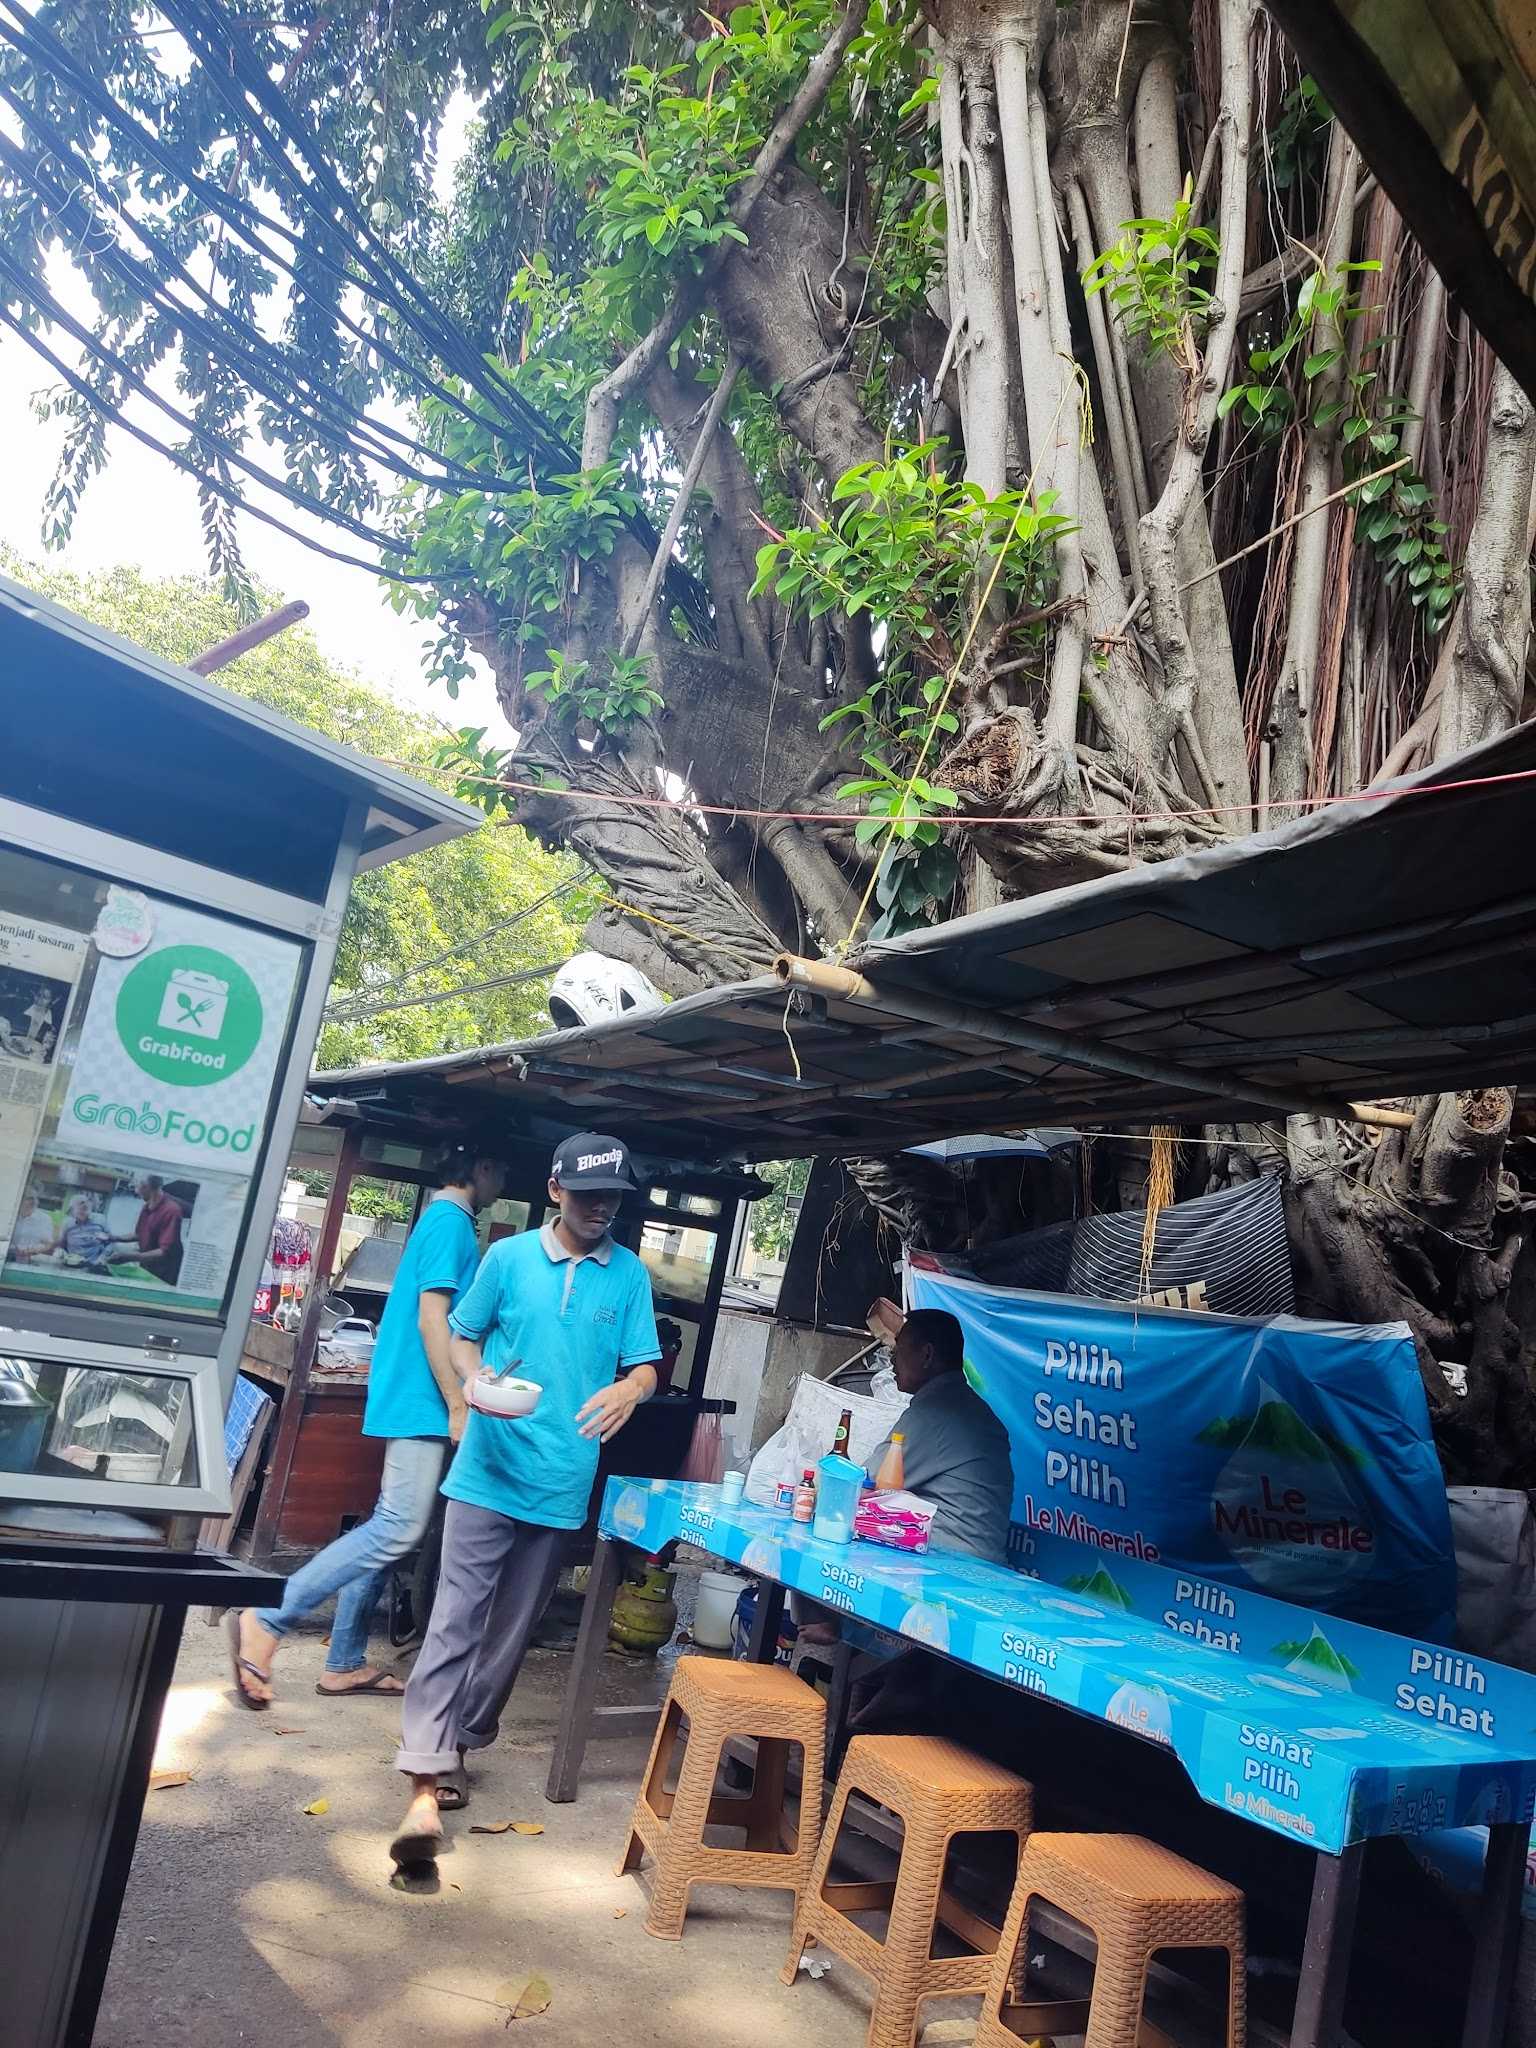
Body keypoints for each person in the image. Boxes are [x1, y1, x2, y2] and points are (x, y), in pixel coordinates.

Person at [388, 1130, 661, 1865]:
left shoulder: (628, 1275)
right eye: (588, 1194)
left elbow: (646, 1367)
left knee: (510, 1635)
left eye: (613, 1197)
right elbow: (462, 1334)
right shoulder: (507, 1259)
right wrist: (471, 1387)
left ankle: (462, 1743)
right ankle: (426, 1768)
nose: (602, 1207)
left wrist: (629, 1389)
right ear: (555, 1191)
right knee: (454, 1619)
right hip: (486, 1467)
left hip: (561, 1479)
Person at [228, 1145, 507, 1708]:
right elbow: (435, 1319)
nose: (503, 1178)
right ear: (481, 1165)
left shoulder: (441, 1218)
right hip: (422, 1397)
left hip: (411, 1392)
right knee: (400, 1529)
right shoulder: (453, 1223)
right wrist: (456, 1403)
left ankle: (345, 1660)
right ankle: (269, 1617)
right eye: (500, 1166)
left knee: (387, 1526)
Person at [873, 1305, 1014, 1564]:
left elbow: (870, 1479)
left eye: (899, 1350)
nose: (892, 1360)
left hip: (954, 1565)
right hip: (981, 1561)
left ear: (926, 1355)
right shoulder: (963, 1403)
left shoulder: (938, 1411)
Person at [108, 1174, 185, 1285]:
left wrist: (130, 1257)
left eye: (136, 1187)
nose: (136, 1192)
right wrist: (114, 1238)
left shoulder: (172, 1210)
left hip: (164, 1272)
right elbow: (139, 1235)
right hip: (147, 1265)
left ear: (146, 1187)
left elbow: (164, 1252)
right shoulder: (147, 1206)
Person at [9, 1190, 57, 1261]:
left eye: (35, 1198)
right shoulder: (9, 1214)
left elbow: (48, 1244)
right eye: (29, 1198)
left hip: (32, 1259)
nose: (34, 1201)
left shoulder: (44, 1219)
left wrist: (32, 1250)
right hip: (7, 1256)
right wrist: (13, 1249)